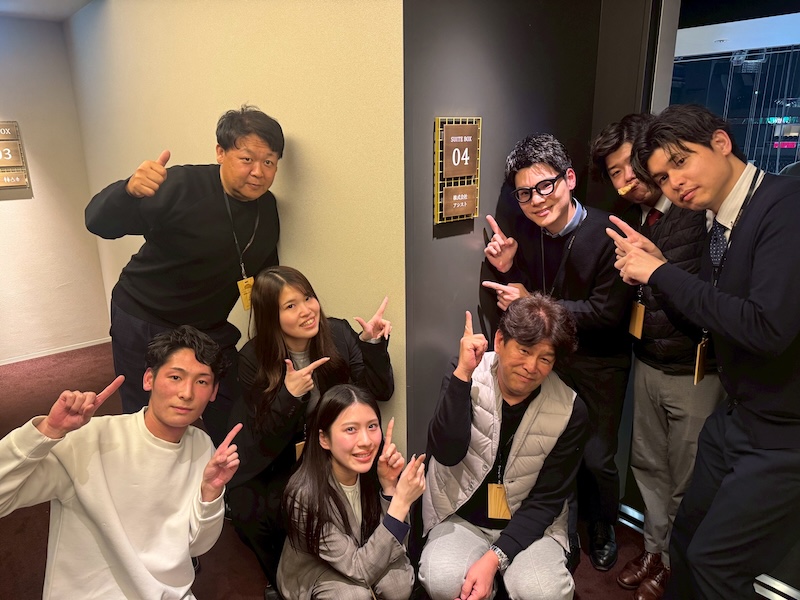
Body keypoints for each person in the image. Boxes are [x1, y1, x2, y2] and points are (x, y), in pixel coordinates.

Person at [608, 103, 800, 599]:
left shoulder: (783, 205)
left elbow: (767, 327)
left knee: (716, 565)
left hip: (782, 432)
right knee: (688, 540)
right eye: (662, 177)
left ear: (720, 142)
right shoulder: (720, 220)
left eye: (681, 161)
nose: (675, 183)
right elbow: (713, 312)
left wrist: (660, 273)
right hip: (737, 416)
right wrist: (663, 269)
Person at [85, 104, 284, 447]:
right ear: (220, 152)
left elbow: (267, 274)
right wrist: (127, 190)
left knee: (234, 402)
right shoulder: (180, 185)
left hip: (207, 327)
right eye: (247, 159)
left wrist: (282, 328)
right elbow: (98, 223)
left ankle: (228, 472)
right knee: (146, 410)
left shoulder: (267, 208)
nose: (258, 172)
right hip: (145, 315)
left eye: (269, 162)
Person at [589, 113, 726, 600]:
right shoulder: (634, 218)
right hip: (647, 360)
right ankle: (652, 549)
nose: (628, 180)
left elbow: (713, 295)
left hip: (695, 369)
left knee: (687, 476)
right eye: (616, 173)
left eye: (633, 165)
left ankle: (672, 563)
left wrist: (659, 269)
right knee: (648, 466)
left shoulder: (696, 209)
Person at [0, 326, 242, 599]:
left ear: (213, 391)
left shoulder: (203, 447)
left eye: (202, 382)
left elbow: (196, 546)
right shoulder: (88, 440)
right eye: (175, 377)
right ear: (149, 379)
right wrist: (48, 430)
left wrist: (210, 493)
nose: (186, 393)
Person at [481, 134, 632, 572]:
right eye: (525, 193)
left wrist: (531, 298)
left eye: (545, 186)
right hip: (549, 361)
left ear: (569, 179)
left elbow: (606, 313)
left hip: (600, 362)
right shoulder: (528, 234)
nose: (536, 200)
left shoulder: (608, 232)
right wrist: (508, 267)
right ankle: (561, 527)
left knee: (598, 456)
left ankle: (602, 525)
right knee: (547, 446)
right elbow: (530, 295)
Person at [226, 265, 394, 593]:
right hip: (282, 456)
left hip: (333, 450)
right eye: (291, 306)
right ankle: (285, 581)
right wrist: (289, 396)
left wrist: (372, 344)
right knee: (251, 505)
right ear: (271, 317)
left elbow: (378, 393)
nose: (306, 310)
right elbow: (266, 436)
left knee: (373, 465)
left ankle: (362, 562)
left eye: (308, 298)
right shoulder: (253, 358)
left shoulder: (339, 334)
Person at [418, 294, 589, 600]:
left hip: (531, 525)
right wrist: (462, 377)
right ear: (500, 340)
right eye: (524, 350)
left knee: (545, 593)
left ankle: (499, 574)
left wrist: (493, 559)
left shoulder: (570, 409)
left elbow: (547, 499)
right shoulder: (466, 371)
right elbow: (446, 453)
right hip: (461, 513)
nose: (531, 366)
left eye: (545, 358)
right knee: (442, 580)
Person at [278, 384, 425, 600]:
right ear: (324, 439)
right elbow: (359, 568)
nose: (366, 442)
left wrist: (389, 488)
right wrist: (401, 502)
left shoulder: (375, 469)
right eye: (350, 429)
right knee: (353, 596)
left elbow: (395, 545)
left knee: (398, 586)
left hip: (362, 555)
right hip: (316, 569)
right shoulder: (303, 495)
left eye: (372, 426)